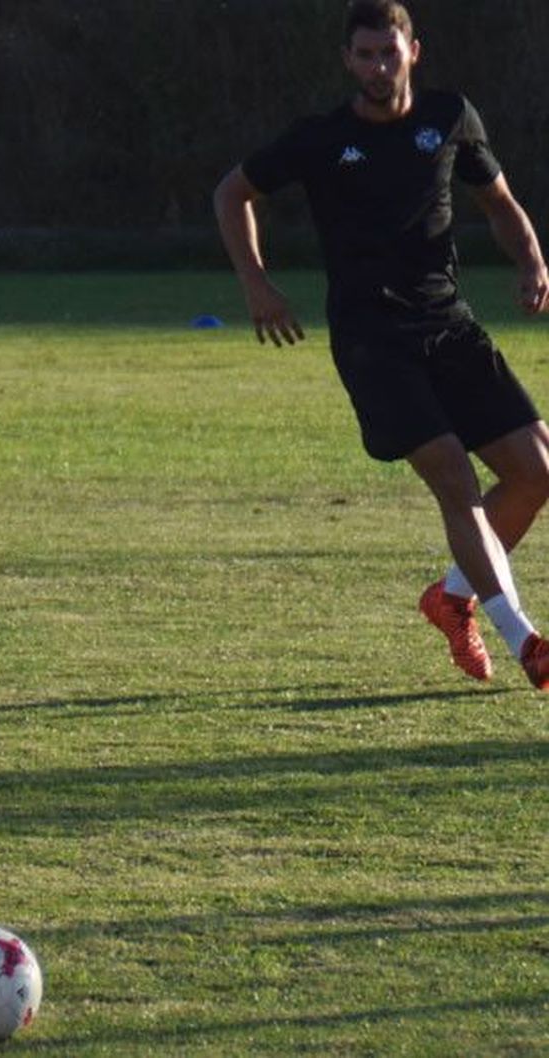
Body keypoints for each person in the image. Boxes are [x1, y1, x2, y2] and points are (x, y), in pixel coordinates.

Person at [214, 0, 549, 688]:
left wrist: (531, 259)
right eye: (364, 55)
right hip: (372, 340)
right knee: (453, 475)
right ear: (348, 60)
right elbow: (232, 193)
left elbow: (499, 202)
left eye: (388, 53)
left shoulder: (449, 117)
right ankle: (526, 643)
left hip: (449, 324)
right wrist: (256, 283)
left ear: (413, 52)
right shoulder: (319, 138)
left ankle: (452, 597)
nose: (377, 67)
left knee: (538, 470)